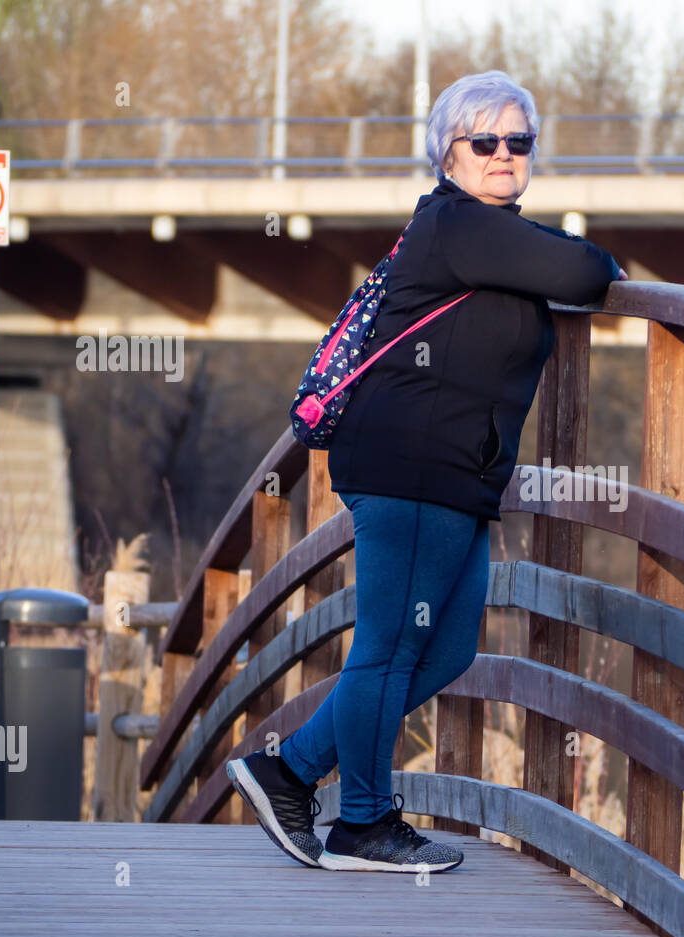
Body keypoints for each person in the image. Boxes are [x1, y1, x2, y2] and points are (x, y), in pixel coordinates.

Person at [227, 70, 625, 873]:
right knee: (387, 648)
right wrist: (585, 254)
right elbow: (587, 271)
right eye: (485, 141)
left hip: (455, 477)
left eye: (520, 140)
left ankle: (290, 769)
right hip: (412, 465)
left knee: (442, 652)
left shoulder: (492, 237)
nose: (505, 154)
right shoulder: (457, 225)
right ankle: (363, 823)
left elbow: (567, 267)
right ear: (448, 154)